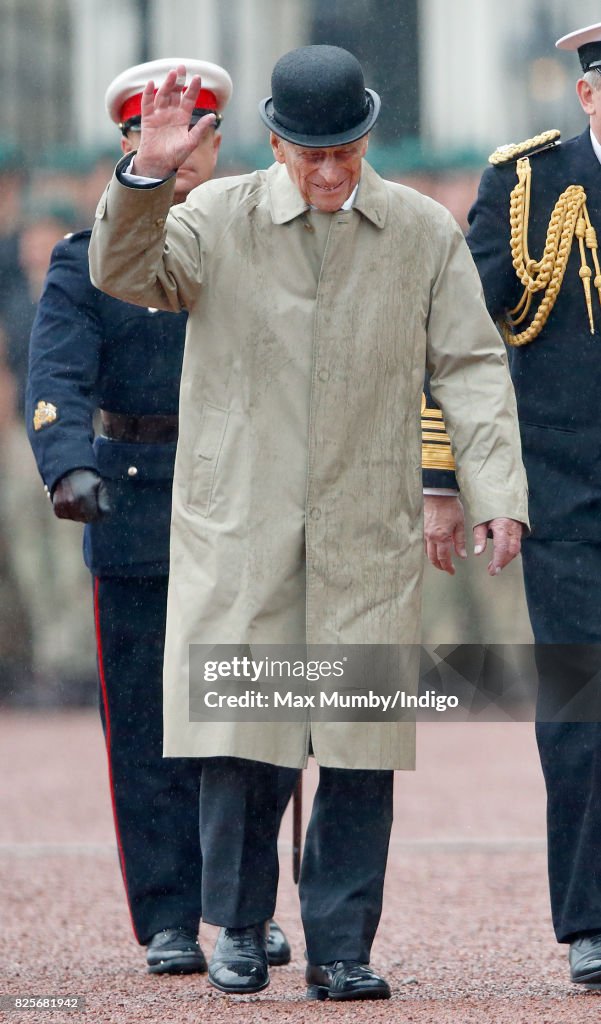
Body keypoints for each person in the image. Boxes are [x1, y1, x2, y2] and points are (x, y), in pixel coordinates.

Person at [88, 45, 528, 1000]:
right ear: (276, 141)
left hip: (363, 523)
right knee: (246, 743)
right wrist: (147, 178)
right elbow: (125, 272)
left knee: (360, 749)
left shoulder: (418, 229)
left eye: (346, 152)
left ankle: (339, 944)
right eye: (310, 154)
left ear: (366, 137)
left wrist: (492, 491)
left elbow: (468, 363)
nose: (330, 174)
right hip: (241, 521)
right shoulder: (213, 214)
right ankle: (239, 927)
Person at [27, 57, 292, 976]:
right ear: (131, 143)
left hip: (245, 501)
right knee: (144, 728)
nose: (182, 152)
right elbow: (56, 374)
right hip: (136, 497)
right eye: (160, 135)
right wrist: (67, 464)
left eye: (198, 136)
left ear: (217, 146)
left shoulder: (257, 241)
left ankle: (243, 908)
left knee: (248, 721)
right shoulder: (81, 257)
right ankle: (171, 915)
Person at [424, 19, 601, 989]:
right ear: (586, 94)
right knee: (584, 706)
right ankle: (590, 916)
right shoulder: (529, 186)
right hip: (573, 495)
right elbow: (453, 339)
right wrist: (444, 480)